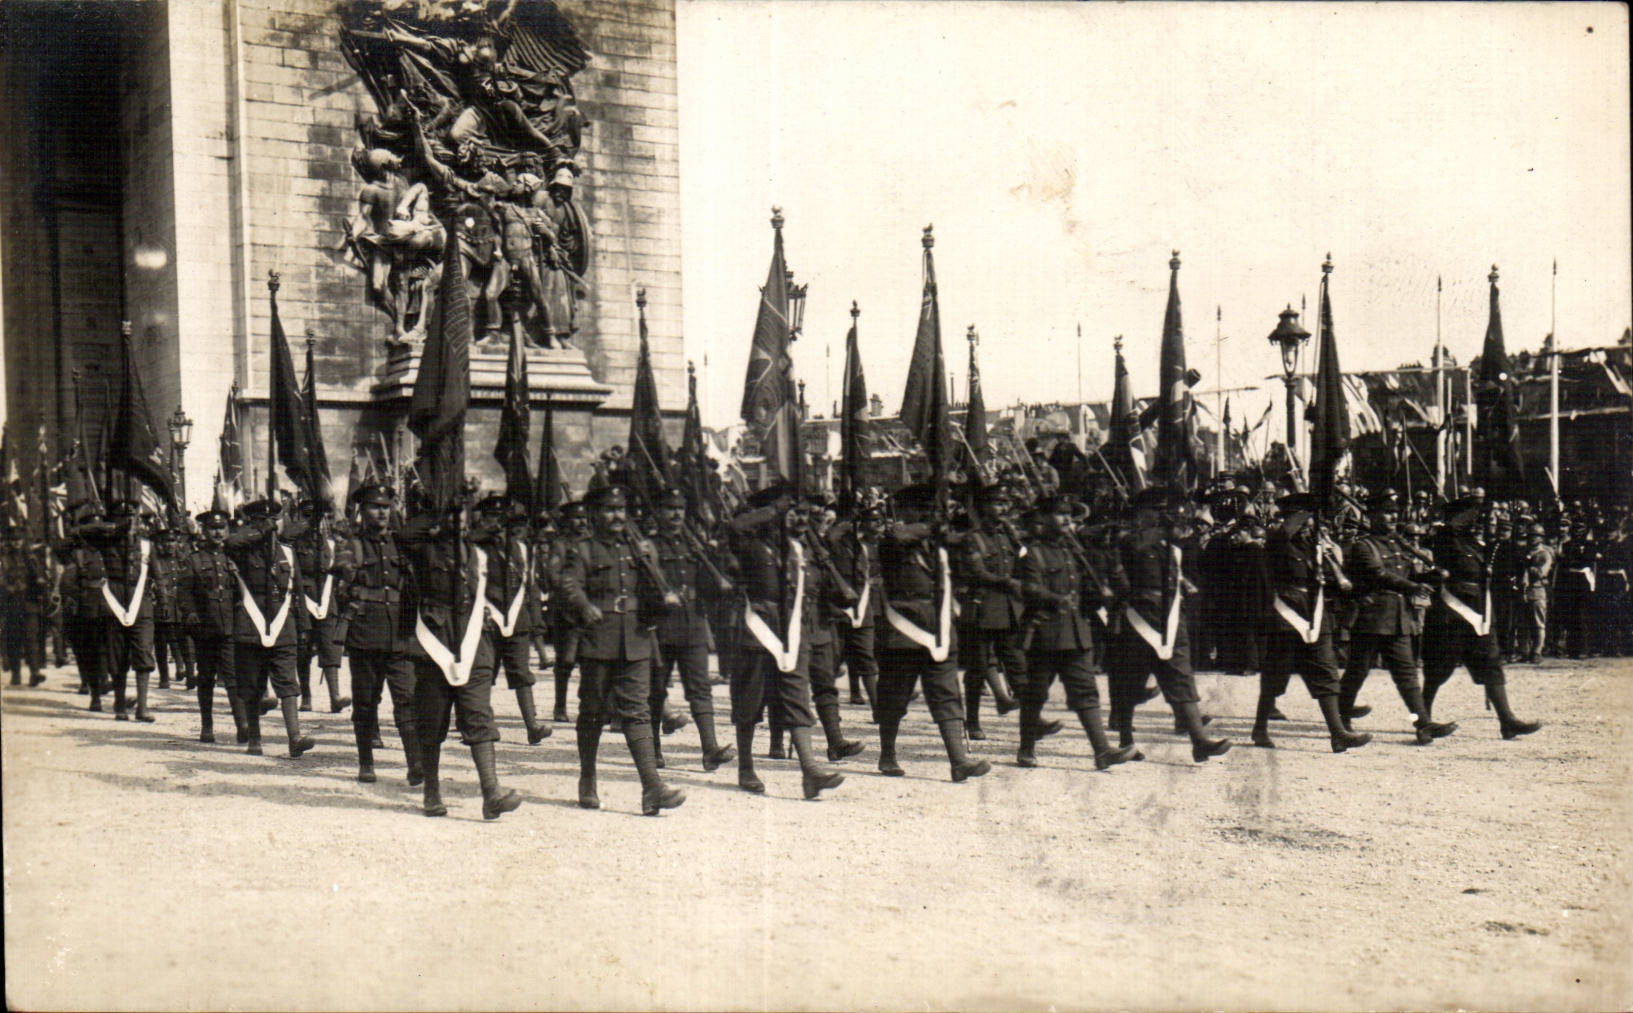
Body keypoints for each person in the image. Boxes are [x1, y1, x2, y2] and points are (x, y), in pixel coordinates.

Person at [557, 484, 687, 815]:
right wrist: (584, 606)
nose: (616, 516)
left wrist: (662, 594)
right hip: (599, 639)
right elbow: (569, 584)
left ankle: (651, 787)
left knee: (638, 711)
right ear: (594, 514)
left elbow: (655, 584)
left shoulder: (637, 548)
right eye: (608, 509)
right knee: (593, 711)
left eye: (620, 509)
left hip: (636, 638)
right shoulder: (583, 550)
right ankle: (587, 777)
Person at [399, 496, 520, 819]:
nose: (460, 522)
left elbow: (501, 586)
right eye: (454, 517)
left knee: (479, 714)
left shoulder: (480, 553)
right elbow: (404, 536)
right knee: (433, 719)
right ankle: (432, 790)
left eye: (463, 516)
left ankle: (491, 792)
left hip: (474, 641)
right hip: (436, 641)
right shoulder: (425, 550)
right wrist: (435, 514)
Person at [725, 483, 846, 799]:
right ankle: (746, 767)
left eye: (802, 514)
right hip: (759, 629)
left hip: (793, 630)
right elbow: (734, 526)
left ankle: (810, 770)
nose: (799, 520)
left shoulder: (800, 549)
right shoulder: (751, 543)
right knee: (750, 700)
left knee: (797, 698)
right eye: (793, 513)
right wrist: (773, 509)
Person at [1104, 487, 1231, 763]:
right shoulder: (1125, 536)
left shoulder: (1164, 541)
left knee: (1181, 677)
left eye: (1164, 509)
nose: (1163, 515)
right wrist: (1163, 532)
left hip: (1169, 615)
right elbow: (1130, 552)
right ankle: (1126, 739)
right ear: (1141, 512)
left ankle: (1199, 741)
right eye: (1156, 510)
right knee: (1129, 682)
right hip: (1138, 618)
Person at [1013, 494, 1138, 771]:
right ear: (1044, 519)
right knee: (1036, 693)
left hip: (1076, 632)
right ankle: (1026, 748)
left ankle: (1102, 751)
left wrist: (1101, 594)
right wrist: (1056, 599)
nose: (1067, 519)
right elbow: (1029, 588)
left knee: (1086, 692)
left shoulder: (1074, 553)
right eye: (1059, 514)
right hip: (1045, 634)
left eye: (1069, 514)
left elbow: (1085, 590)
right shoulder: (1032, 552)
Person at [1250, 492, 1373, 752]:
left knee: (1326, 672)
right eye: (1305, 520)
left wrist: (1335, 568)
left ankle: (1337, 733)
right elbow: (1284, 534)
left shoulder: (1311, 547)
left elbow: (1327, 580)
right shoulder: (1276, 541)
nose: (1309, 526)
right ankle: (1260, 728)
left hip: (1314, 616)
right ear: (1295, 517)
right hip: (1286, 617)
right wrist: (1304, 515)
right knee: (1275, 676)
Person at [1336, 489, 1457, 745]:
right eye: (1386, 513)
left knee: (1408, 676)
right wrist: (1412, 587)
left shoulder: (1397, 545)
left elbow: (1411, 575)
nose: (1392, 518)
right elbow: (1378, 575)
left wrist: (1431, 577)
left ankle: (1422, 725)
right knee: (1357, 672)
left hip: (1398, 619)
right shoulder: (1363, 546)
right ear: (1372, 516)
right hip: (1372, 620)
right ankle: (1340, 715)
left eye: (1394, 513)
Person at [1421, 492, 1542, 739]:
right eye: (1472, 512)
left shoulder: (1476, 544)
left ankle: (1507, 720)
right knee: (1438, 670)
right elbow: (1451, 530)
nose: (1476, 517)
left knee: (1491, 664)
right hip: (1452, 613)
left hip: (1477, 613)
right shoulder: (1446, 536)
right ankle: (1423, 723)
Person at [334, 484, 422, 785]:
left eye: (386, 506)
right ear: (362, 510)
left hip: (399, 632)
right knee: (366, 701)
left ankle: (416, 763)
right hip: (365, 633)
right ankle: (366, 762)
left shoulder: (400, 543)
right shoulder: (352, 545)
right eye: (375, 506)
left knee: (408, 698)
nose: (382, 512)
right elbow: (341, 584)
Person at [648, 489, 736, 772]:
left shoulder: (694, 545)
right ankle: (652, 749)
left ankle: (710, 748)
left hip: (693, 623)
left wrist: (715, 560)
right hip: (661, 625)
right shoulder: (649, 545)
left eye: (680, 509)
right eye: (669, 509)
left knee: (700, 688)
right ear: (658, 513)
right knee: (655, 689)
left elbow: (710, 585)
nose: (675, 515)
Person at [224, 499, 314, 757]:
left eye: (272, 522)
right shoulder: (242, 552)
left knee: (288, 682)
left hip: (283, 624)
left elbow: (296, 591)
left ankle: (294, 737)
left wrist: (304, 626)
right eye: (260, 522)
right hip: (250, 623)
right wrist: (258, 533)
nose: (269, 527)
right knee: (252, 684)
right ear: (251, 523)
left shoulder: (287, 552)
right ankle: (254, 738)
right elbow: (229, 542)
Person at [473, 495, 552, 745]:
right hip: (486, 618)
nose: (495, 522)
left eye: (500, 517)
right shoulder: (475, 546)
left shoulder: (520, 548)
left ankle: (532, 726)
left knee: (521, 673)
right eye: (490, 517)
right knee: (484, 673)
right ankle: (480, 722)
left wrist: (534, 622)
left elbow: (529, 588)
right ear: (482, 519)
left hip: (516, 618)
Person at [955, 482, 1023, 741]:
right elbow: (976, 571)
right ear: (984, 507)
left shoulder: (1007, 536)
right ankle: (972, 721)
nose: (1003, 508)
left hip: (1007, 610)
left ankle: (1031, 718)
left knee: (1017, 665)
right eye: (997, 503)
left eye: (1005, 503)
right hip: (982, 610)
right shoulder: (973, 537)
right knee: (978, 668)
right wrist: (1007, 582)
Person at [80, 501, 159, 723]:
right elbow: (82, 532)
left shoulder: (146, 545)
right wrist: (112, 528)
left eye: (133, 516)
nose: (130, 520)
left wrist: (162, 601)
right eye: (124, 516)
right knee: (117, 653)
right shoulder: (105, 541)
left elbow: (158, 575)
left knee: (143, 651)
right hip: (114, 596)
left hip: (140, 598)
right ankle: (120, 703)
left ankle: (142, 707)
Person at [180, 510, 246, 744]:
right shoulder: (194, 560)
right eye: (212, 528)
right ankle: (207, 726)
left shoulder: (233, 558)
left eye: (222, 528)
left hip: (230, 626)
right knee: (206, 677)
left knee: (234, 677)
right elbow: (185, 592)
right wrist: (190, 614)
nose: (218, 532)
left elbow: (242, 592)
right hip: (205, 629)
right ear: (204, 531)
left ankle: (242, 725)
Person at [292, 499, 351, 714]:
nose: (314, 522)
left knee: (330, 648)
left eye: (317, 518)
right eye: (308, 517)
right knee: (303, 650)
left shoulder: (331, 544)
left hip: (327, 601)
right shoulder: (295, 544)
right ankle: (306, 695)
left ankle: (335, 696)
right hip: (304, 601)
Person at [1518, 523, 1555, 664]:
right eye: (1531, 536)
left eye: (1536, 536)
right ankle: (1524, 651)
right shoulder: (1524, 552)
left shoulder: (1544, 554)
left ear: (1541, 538)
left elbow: (1542, 572)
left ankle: (1537, 650)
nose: (1533, 539)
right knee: (1523, 623)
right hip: (1524, 590)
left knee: (1538, 622)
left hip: (1537, 589)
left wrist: (1528, 566)